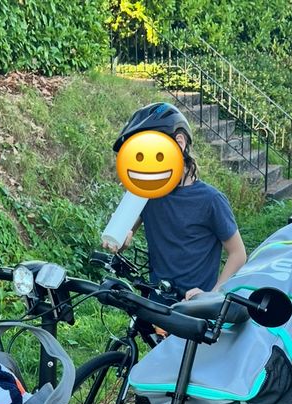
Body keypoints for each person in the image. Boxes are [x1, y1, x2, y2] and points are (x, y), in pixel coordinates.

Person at [104, 102, 247, 300]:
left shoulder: (211, 200)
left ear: (179, 142)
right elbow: (124, 237)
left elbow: (238, 253)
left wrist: (212, 295)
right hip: (156, 303)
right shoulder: (147, 195)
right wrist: (119, 240)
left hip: (194, 311)